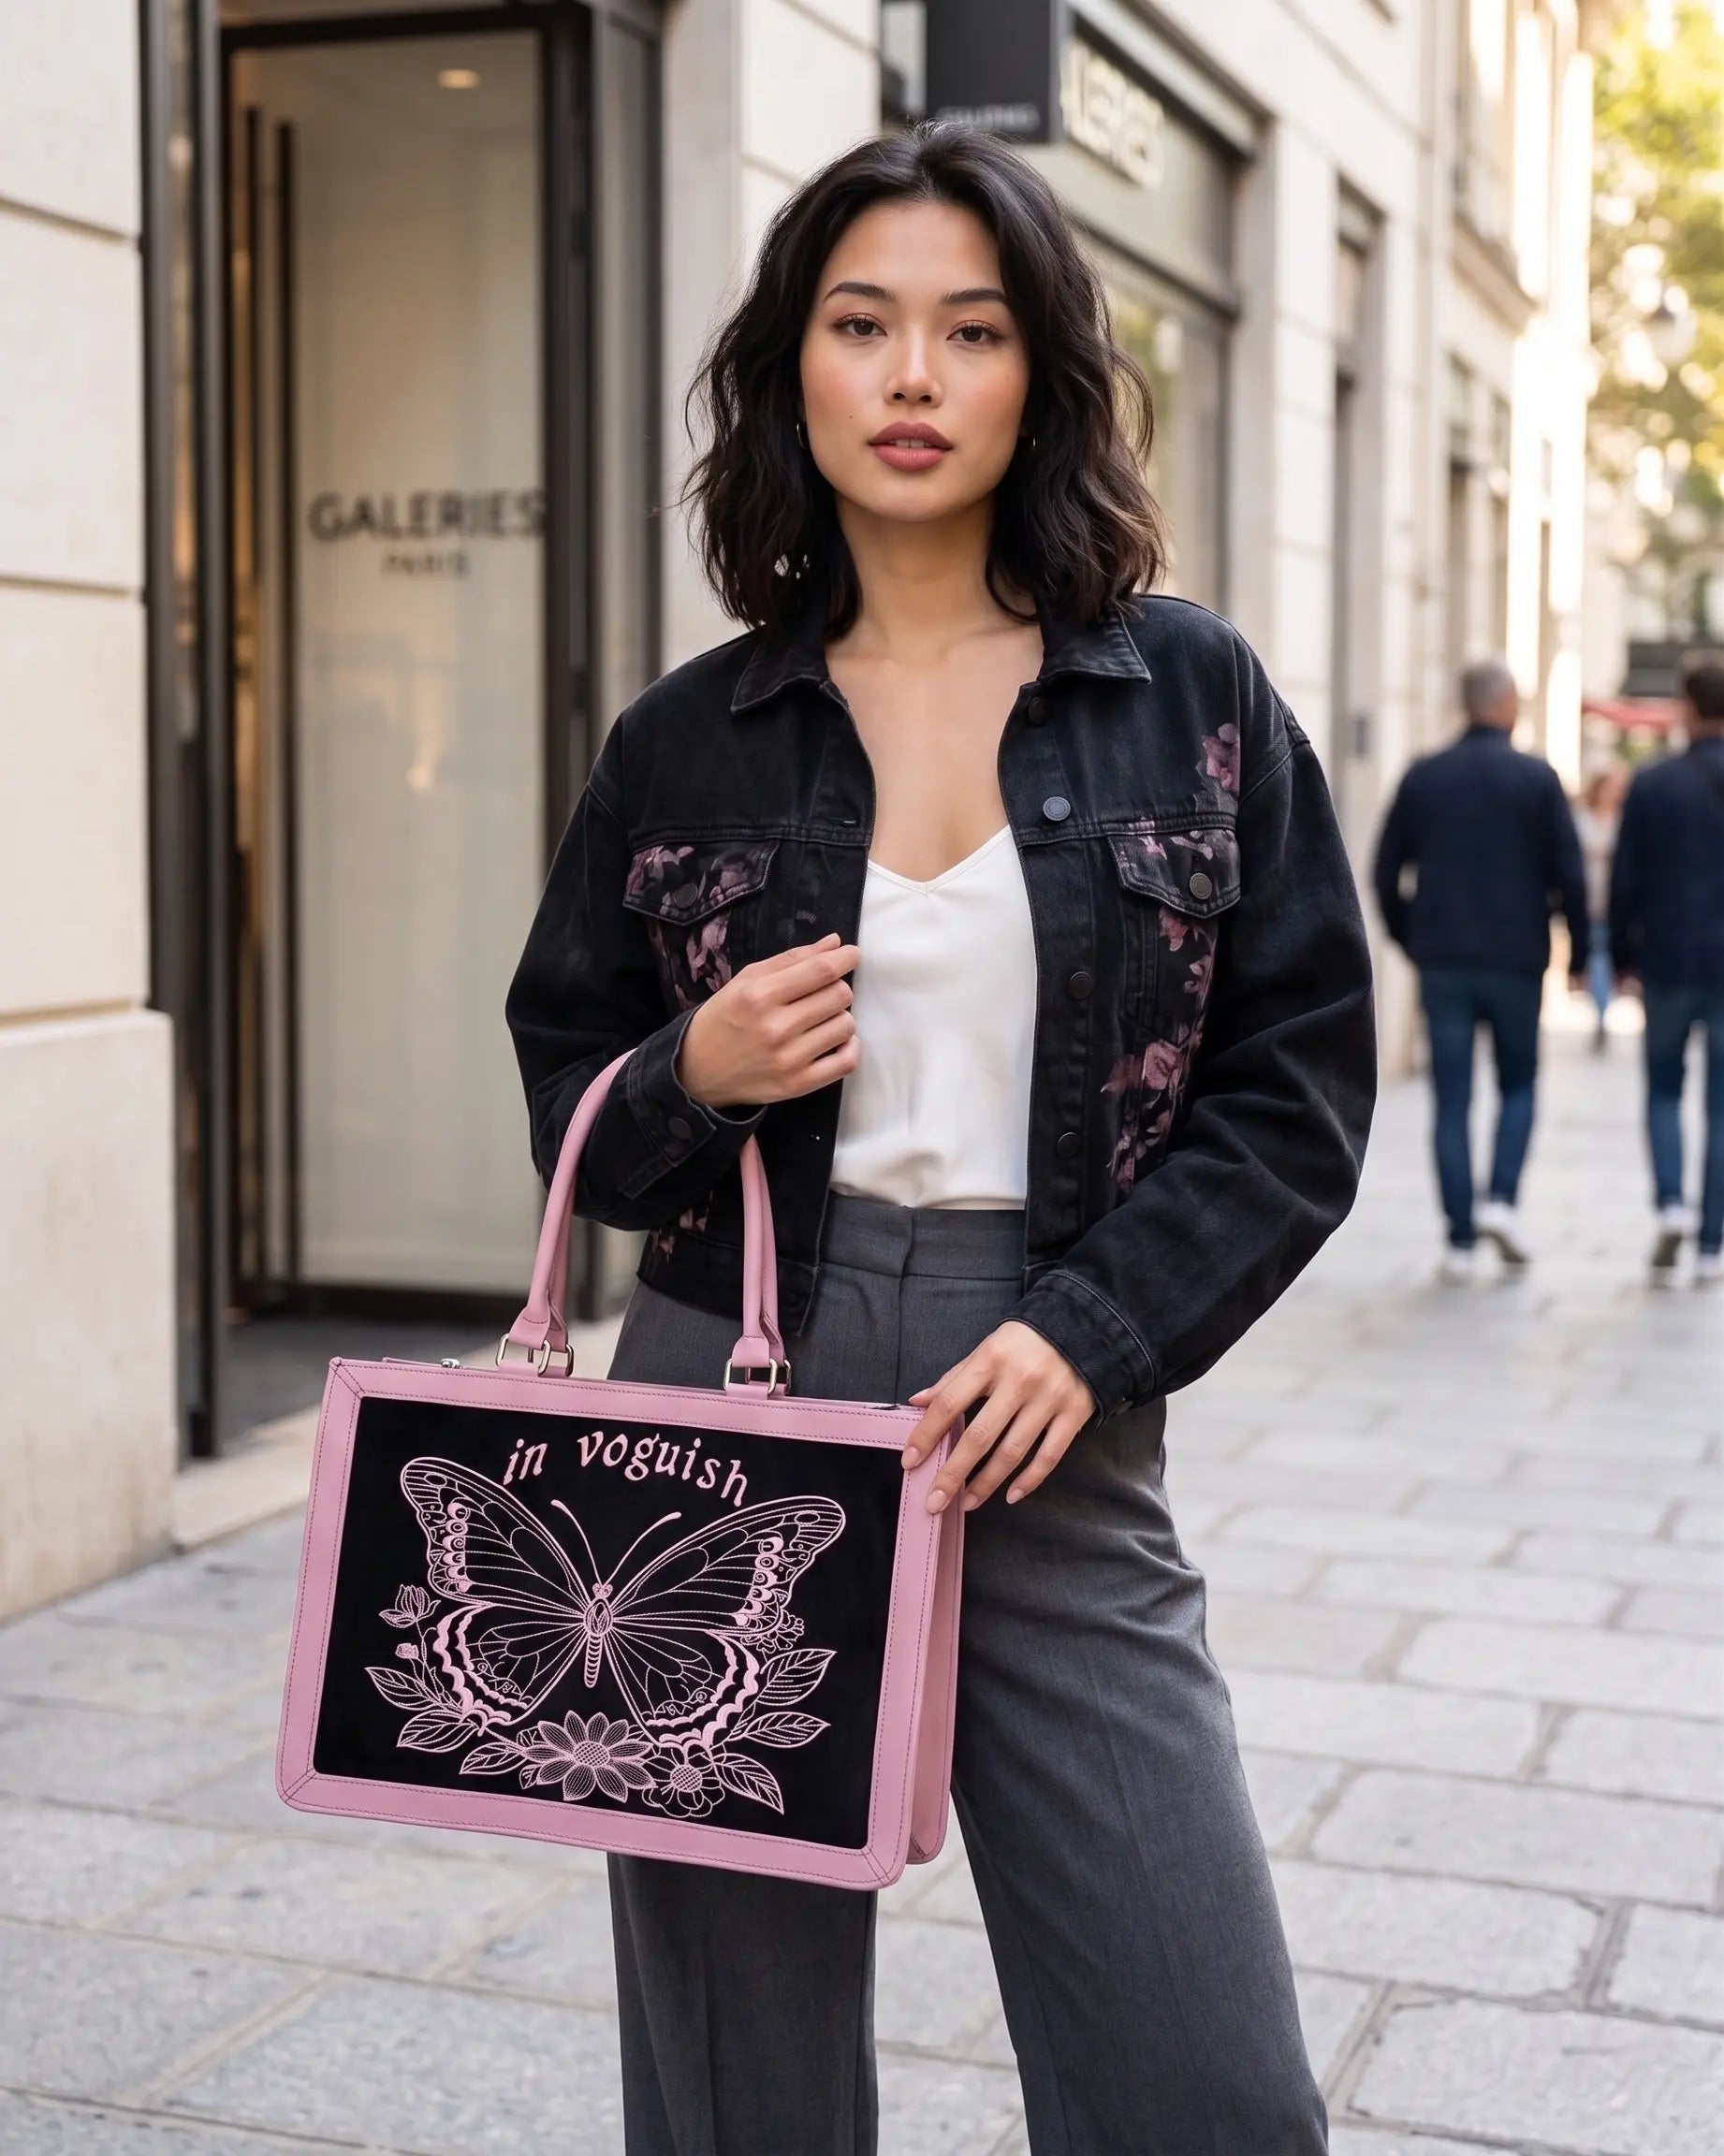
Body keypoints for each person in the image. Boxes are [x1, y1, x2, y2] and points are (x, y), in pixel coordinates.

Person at [506, 124, 1376, 2155]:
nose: (913, 376)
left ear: (1040, 374)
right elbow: (572, 1110)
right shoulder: (685, 735)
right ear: (791, 370)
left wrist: (1096, 1329)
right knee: (739, 2078)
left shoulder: (1186, 693)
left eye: (971, 331)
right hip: (725, 1402)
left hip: (1043, 1396)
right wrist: (695, 1071)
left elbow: (1300, 1078)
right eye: (862, 324)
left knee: (1202, 2082)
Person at [1372, 658, 1589, 1281]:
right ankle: (1501, 1201)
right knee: (1518, 1085)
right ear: (1507, 704)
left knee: (1451, 1100)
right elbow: (1570, 873)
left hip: (1444, 960)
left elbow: (1385, 871)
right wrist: (1577, 950)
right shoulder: (1537, 778)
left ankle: (1460, 1240)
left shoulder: (1425, 775)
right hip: (1517, 959)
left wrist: (1409, 936)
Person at [1610, 654, 1724, 1286]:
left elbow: (1625, 879)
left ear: (1686, 707)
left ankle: (1673, 1204)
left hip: (1669, 959)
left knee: (1663, 1089)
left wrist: (1622, 956)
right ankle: (1711, 1245)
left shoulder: (1654, 783)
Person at [1573, 765, 1625, 1051]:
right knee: (1597, 960)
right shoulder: (1581, 819)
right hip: (1589, 901)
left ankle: (1603, 1010)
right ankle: (1600, 1011)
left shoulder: (1625, 819)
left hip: (1616, 905)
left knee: (1605, 960)